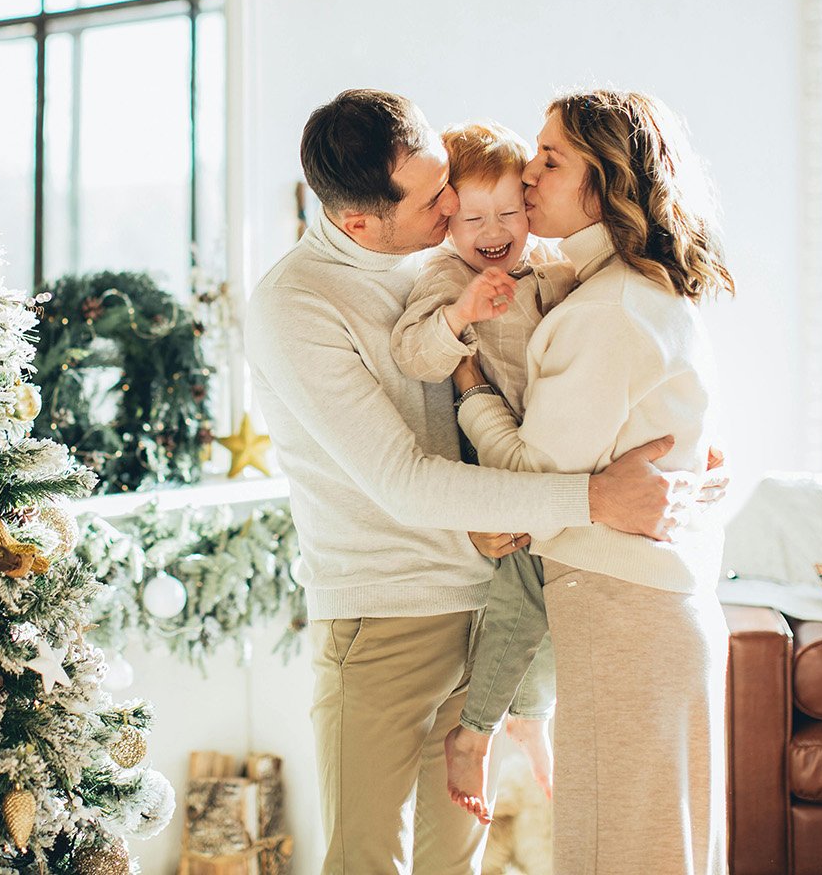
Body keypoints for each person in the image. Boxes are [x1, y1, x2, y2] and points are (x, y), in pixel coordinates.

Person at [243, 89, 704, 875]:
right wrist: (593, 498)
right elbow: (405, 481)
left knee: (457, 863)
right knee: (366, 861)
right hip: (385, 617)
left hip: (485, 598)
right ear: (359, 222)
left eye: (445, 180)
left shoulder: (439, 256)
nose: (455, 203)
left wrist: (683, 466)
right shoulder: (297, 304)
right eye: (433, 198)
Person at [452, 89, 735, 875]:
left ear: (606, 181)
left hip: (625, 620)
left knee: (620, 855)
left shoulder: (610, 311)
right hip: (648, 617)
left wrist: (472, 391)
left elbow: (530, 490)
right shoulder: (632, 294)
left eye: (551, 159)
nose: (527, 175)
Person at [390, 121, 574, 816]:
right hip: (495, 457)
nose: (493, 230)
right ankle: (482, 729)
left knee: (555, 589)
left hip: (545, 447)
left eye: (509, 213)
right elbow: (413, 356)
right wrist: (462, 314)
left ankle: (526, 714)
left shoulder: (550, 263)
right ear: (448, 221)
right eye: (473, 217)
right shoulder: (445, 275)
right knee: (527, 586)